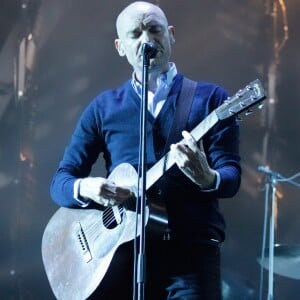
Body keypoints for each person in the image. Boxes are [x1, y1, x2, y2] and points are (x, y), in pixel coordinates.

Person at [50, 1, 241, 299]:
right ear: (119, 46)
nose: (146, 40)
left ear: (171, 35)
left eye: (154, 29)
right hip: (119, 260)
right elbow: (60, 183)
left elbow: (231, 177)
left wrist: (207, 178)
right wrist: (87, 187)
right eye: (135, 34)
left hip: (190, 256)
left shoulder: (211, 99)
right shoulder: (103, 108)